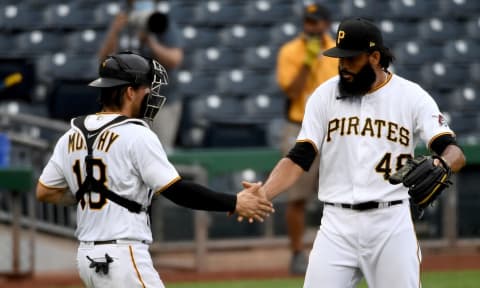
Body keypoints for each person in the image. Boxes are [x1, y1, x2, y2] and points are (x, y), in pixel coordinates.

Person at [246, 18, 466, 287]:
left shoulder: (411, 96)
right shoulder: (324, 96)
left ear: (375, 57)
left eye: (352, 59)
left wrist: (443, 163)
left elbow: (453, 150)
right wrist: (264, 193)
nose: (343, 66)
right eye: (340, 59)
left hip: (391, 223)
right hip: (337, 225)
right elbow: (299, 157)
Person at [36, 52, 274, 288]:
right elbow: (177, 191)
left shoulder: (70, 135)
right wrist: (234, 202)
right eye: (146, 89)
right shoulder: (137, 134)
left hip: (87, 257)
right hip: (121, 256)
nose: (151, 95)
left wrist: (88, 196)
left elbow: (45, 191)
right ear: (130, 92)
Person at [275, 2, 338, 274]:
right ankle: (297, 253)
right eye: (308, 22)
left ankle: (338, 251)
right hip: (299, 125)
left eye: (316, 22)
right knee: (297, 197)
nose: (311, 27)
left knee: (340, 194)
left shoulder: (338, 51)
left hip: (333, 128)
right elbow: (291, 90)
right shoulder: (290, 51)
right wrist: (308, 60)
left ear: (325, 23)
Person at [98, 0, 183, 151]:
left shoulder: (157, 20)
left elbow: (175, 59)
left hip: (159, 103)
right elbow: (103, 61)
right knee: (126, 153)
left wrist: (150, 41)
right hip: (127, 101)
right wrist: (114, 31)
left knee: (157, 153)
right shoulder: (122, 19)